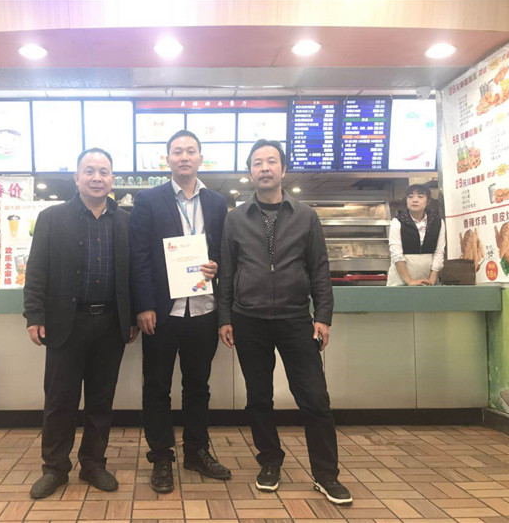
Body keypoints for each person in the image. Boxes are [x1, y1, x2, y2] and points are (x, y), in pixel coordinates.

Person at [217, 139, 352, 505]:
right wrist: (225, 317)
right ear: (250, 172)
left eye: (271, 161)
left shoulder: (305, 216)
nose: (265, 167)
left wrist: (323, 316)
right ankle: (270, 461)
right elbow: (227, 272)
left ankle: (326, 475)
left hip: (296, 319)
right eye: (257, 162)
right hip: (248, 319)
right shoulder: (235, 218)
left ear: (283, 169)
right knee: (258, 398)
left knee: (315, 398)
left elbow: (319, 269)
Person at [23, 148, 138, 499]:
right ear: (76, 178)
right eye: (89, 171)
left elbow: (134, 273)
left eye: (104, 171)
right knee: (60, 401)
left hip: (111, 323)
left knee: (101, 400)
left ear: (113, 180)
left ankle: (93, 464)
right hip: (65, 323)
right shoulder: (52, 218)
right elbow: (36, 270)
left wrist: (132, 315)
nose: (97, 177)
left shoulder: (126, 221)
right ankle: (55, 468)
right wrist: (34, 314)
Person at [129, 130, 231, 493]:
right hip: (162, 311)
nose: (184, 157)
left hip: (204, 309)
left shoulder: (217, 202)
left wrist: (217, 265)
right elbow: (139, 256)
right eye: (177, 152)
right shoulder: (148, 199)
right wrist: (143, 305)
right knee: (156, 386)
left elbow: (223, 251)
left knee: (198, 385)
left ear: (201, 158)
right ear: (168, 159)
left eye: (190, 151)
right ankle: (160, 456)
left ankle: (196, 451)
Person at [387, 184, 446, 286]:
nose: (414, 200)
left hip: (428, 279)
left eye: (420, 196)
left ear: (428, 201)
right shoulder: (397, 221)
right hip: (401, 280)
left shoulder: (437, 222)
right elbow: (396, 254)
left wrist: (432, 279)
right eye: (410, 197)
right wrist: (409, 281)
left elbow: (439, 251)